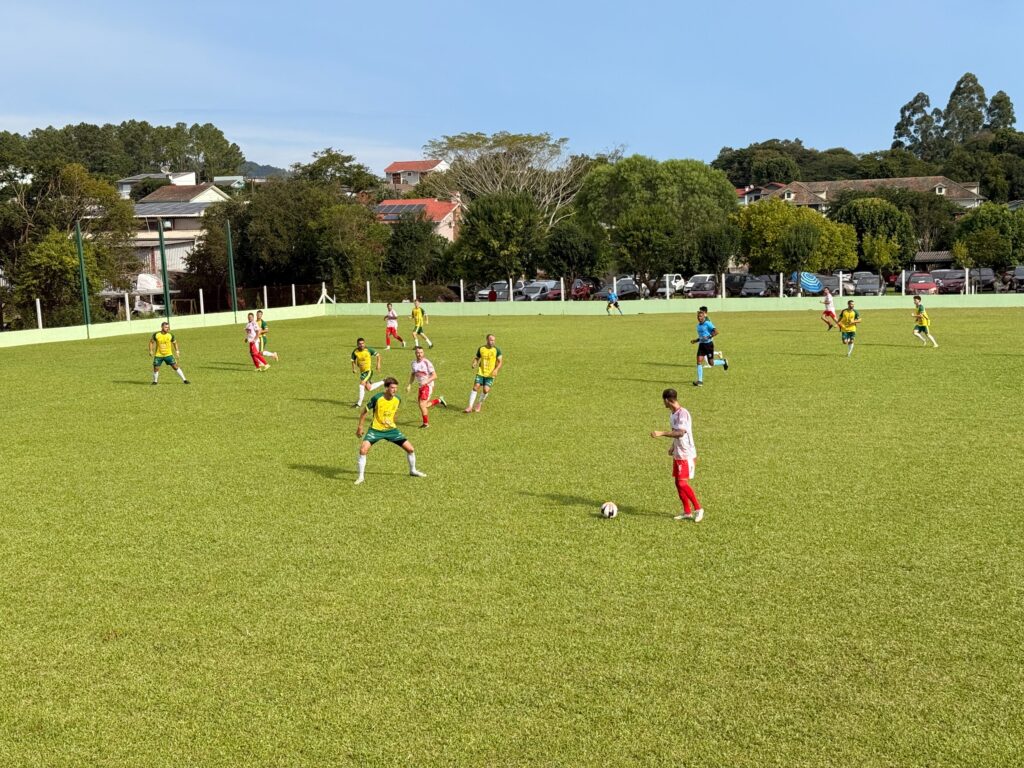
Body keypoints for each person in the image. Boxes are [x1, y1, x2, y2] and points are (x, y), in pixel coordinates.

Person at [354, 377, 426, 484]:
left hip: (391, 430)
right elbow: (364, 412)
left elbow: (395, 412)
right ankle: (361, 477)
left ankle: (413, 470)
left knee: (410, 449)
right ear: (386, 388)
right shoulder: (377, 398)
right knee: (363, 450)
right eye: (392, 388)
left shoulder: (397, 399)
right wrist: (360, 427)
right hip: (376, 430)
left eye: (396, 388)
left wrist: (393, 423)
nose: (394, 390)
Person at [650, 388, 704, 522]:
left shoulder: (683, 414)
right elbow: (676, 434)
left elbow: (680, 433)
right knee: (678, 483)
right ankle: (687, 512)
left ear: (667, 400)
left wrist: (662, 433)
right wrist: (673, 447)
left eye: (663, 401)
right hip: (678, 453)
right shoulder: (672, 414)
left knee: (682, 483)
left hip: (687, 454)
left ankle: (698, 508)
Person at [407, 346, 446, 427]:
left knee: (422, 404)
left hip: (428, 385)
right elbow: (413, 374)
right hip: (421, 386)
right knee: (423, 405)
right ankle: (439, 400)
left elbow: (435, 376)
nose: (419, 354)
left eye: (421, 352)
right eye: (418, 353)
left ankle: (425, 424)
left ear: (423, 353)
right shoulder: (413, 363)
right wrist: (409, 385)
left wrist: (426, 382)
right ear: (415, 353)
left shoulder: (427, 362)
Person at [464, 334, 503, 413]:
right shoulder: (481, 348)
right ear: (487, 340)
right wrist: (475, 363)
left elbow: (500, 362)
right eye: (491, 340)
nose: (493, 342)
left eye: (494, 340)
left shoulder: (497, 350)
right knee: (476, 387)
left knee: (485, 390)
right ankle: (470, 406)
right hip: (481, 372)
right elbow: (477, 357)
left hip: (490, 374)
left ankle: (479, 403)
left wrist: (496, 370)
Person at [690, 308, 728, 386]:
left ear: (704, 316)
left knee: (711, 363)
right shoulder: (698, 326)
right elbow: (701, 337)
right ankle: (700, 381)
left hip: (708, 345)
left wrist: (709, 336)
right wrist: (695, 340)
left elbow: (716, 332)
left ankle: (724, 362)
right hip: (701, 345)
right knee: (699, 361)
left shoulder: (708, 323)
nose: (699, 318)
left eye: (700, 316)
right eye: (698, 317)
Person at [351, 337, 384, 407]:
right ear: (357, 344)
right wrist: (354, 368)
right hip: (362, 372)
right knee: (369, 388)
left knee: (361, 384)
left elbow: (378, 355)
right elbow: (353, 360)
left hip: (368, 371)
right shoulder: (355, 352)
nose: (361, 345)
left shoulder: (368, 350)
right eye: (360, 344)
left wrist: (378, 364)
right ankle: (384, 381)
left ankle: (358, 403)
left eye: (362, 343)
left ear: (364, 343)